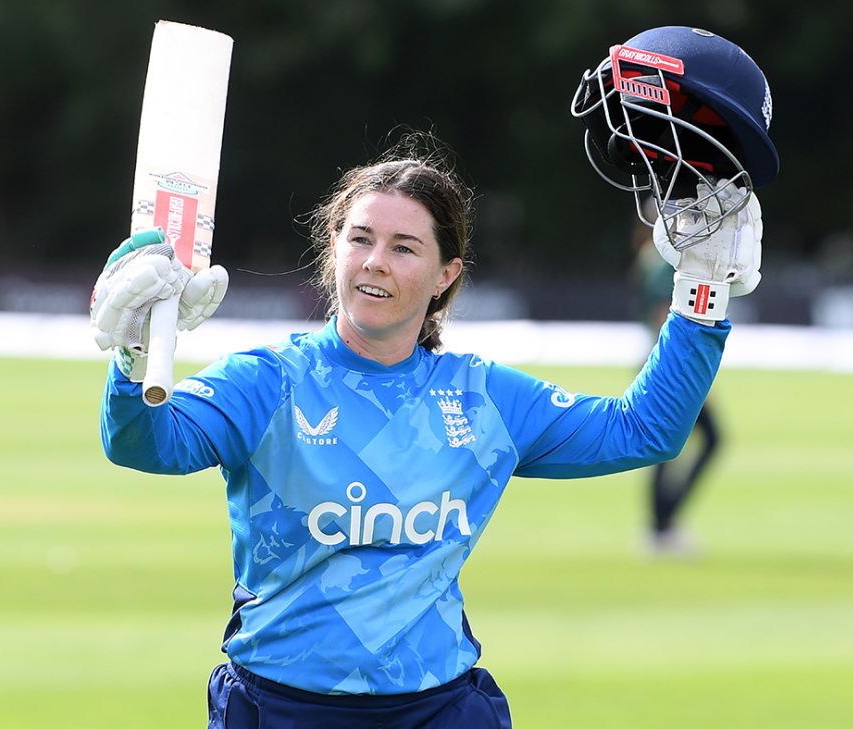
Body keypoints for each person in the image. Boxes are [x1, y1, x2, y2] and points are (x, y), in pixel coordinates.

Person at [91, 24, 773, 729]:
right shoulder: (268, 381)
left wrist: (702, 293)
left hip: (439, 710)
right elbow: (143, 443)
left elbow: (648, 430)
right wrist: (134, 356)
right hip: (280, 709)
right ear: (333, 250)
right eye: (359, 238)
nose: (375, 261)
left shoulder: (485, 398)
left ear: (447, 275)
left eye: (404, 247)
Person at [631, 213, 721, 557]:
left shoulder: (650, 258)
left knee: (667, 446)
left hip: (660, 363)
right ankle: (661, 526)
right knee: (693, 442)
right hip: (669, 366)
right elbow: (661, 315)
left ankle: (661, 525)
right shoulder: (662, 263)